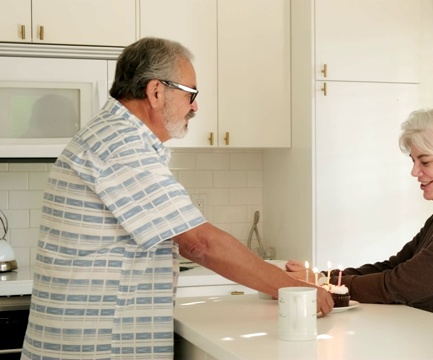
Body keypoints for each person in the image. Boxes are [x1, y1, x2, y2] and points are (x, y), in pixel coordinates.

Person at [21, 37, 333, 360]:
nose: (195, 106)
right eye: (191, 94)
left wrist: (272, 280)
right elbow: (200, 243)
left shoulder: (114, 136)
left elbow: (181, 240)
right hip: (96, 349)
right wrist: (293, 289)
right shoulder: (122, 145)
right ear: (156, 92)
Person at [287, 106, 433, 336]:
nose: (414, 171)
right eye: (413, 161)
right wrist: (325, 278)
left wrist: (320, 283)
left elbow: (399, 285)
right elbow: (392, 266)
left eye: (425, 161)